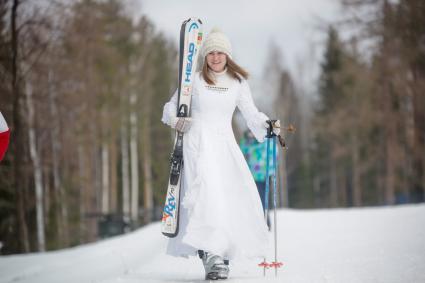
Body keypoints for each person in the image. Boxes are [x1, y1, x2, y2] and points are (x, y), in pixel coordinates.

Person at [161, 28, 280, 280]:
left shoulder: (237, 82)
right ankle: (211, 256)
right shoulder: (193, 80)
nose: (215, 57)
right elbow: (170, 108)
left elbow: (251, 113)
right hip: (197, 146)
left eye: (220, 52)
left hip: (225, 145)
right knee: (206, 197)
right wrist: (176, 120)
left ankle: (222, 253)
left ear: (228, 55)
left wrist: (267, 125)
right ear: (205, 56)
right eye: (211, 53)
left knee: (228, 198)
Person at [239, 130, 273, 229]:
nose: (253, 135)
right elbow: (242, 149)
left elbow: (272, 156)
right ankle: (257, 223)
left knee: (262, 199)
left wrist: (270, 172)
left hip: (264, 176)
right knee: (253, 200)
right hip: (252, 177)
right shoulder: (249, 143)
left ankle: (266, 222)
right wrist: (245, 138)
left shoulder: (267, 141)